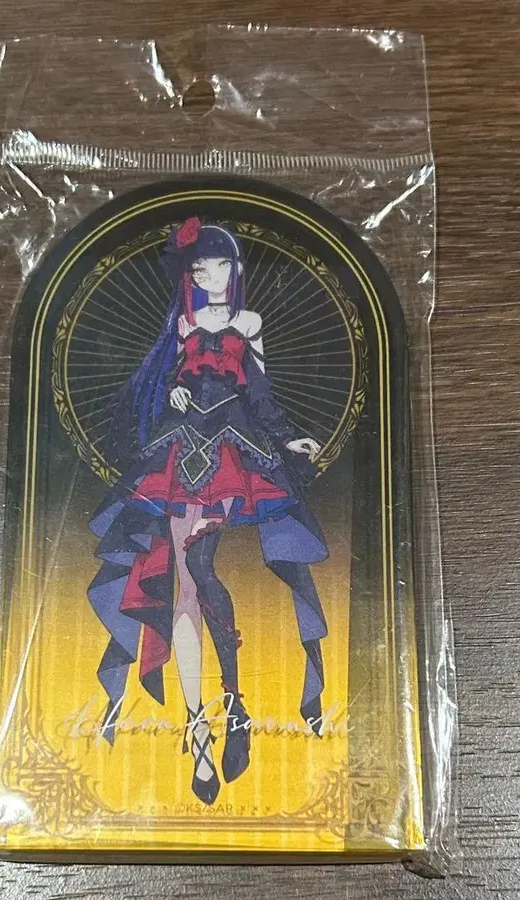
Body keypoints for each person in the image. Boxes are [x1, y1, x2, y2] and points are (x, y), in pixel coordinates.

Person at [87, 218, 329, 804]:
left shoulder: (249, 324)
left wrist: (288, 438)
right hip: (180, 454)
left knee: (199, 566)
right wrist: (172, 390)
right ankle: (201, 728)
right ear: (190, 276)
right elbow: (166, 385)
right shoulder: (183, 325)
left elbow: (261, 396)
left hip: (228, 457)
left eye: (221, 265)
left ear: (236, 269)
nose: (211, 275)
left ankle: (235, 701)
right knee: (185, 591)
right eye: (200, 268)